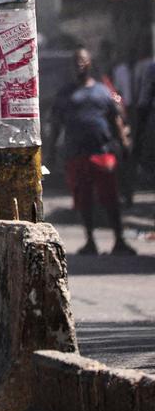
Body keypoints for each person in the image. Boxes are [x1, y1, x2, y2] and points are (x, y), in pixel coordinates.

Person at [49, 47, 136, 256]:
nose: (79, 64)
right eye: (76, 61)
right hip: (76, 155)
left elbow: (115, 120)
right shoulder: (65, 94)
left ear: (90, 63)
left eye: (83, 60)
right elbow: (56, 124)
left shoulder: (102, 91)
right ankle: (90, 241)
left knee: (110, 198)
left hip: (102, 153)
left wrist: (124, 144)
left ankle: (119, 240)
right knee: (83, 200)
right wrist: (50, 151)